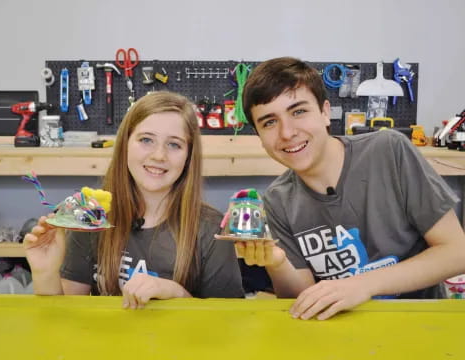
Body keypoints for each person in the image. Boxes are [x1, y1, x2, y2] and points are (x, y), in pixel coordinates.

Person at [237, 56, 465, 319]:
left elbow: (456, 252)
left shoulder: (389, 151)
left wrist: (363, 285)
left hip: (416, 323)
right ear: (259, 137)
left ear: (324, 112)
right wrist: (277, 264)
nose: (287, 132)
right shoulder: (277, 201)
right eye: (269, 122)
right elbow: (303, 300)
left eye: (298, 111)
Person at [24, 91, 244, 307]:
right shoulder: (91, 217)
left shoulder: (212, 229)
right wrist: (45, 273)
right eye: (146, 140)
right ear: (125, 144)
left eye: (174, 144)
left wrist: (176, 293)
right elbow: (66, 321)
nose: (159, 155)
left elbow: (228, 327)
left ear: (188, 156)